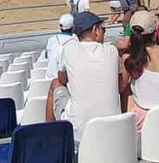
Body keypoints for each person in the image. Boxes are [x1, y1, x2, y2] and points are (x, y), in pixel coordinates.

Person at [45, 12, 121, 142]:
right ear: (95, 30)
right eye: (103, 29)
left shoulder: (68, 49)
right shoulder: (112, 51)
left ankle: (50, 138)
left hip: (79, 131)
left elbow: (62, 79)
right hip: (113, 127)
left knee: (55, 83)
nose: (104, 32)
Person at [119, 11, 159, 133]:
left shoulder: (129, 58)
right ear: (154, 34)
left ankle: (124, 129)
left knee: (126, 90)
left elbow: (121, 87)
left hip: (147, 119)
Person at [44, 14, 76, 78]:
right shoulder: (75, 41)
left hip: (49, 79)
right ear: (73, 27)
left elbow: (47, 56)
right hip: (67, 80)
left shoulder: (51, 40)